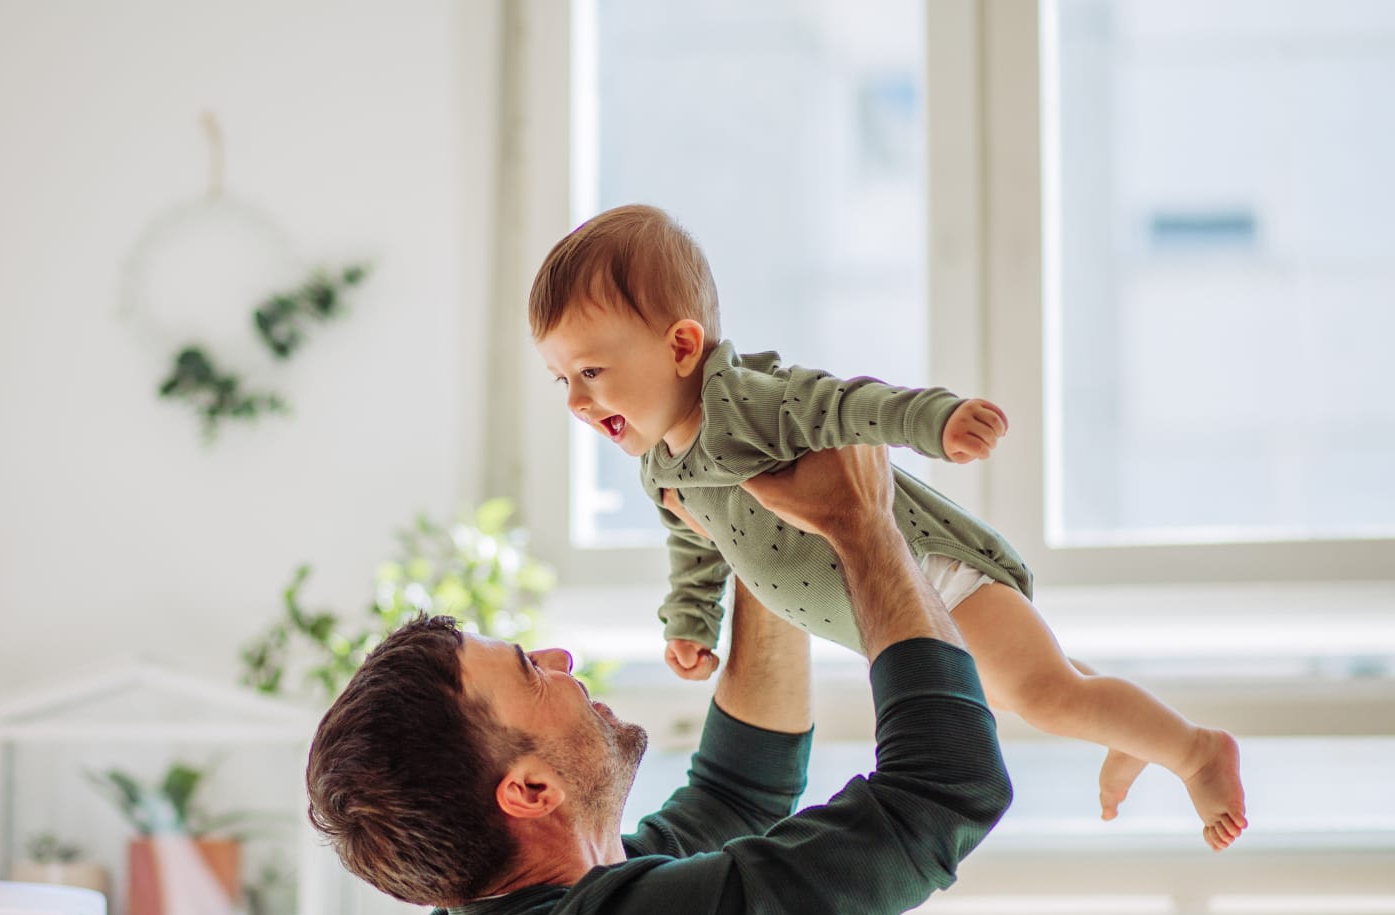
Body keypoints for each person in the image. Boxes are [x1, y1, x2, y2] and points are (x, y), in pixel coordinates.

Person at [305, 444, 1012, 915]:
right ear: (528, 790)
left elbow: (738, 793)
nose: (559, 659)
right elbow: (947, 788)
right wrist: (863, 525)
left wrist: (761, 542)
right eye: (528, 669)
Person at [528, 203, 1247, 852]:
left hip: (928, 574)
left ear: (682, 347)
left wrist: (936, 421)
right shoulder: (659, 464)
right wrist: (691, 617)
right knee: (1035, 689)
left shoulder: (745, 402)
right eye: (563, 380)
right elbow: (694, 541)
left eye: (592, 371)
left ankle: (1194, 751)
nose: (577, 401)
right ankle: (1125, 729)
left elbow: (845, 405)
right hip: (886, 611)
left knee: (1042, 695)